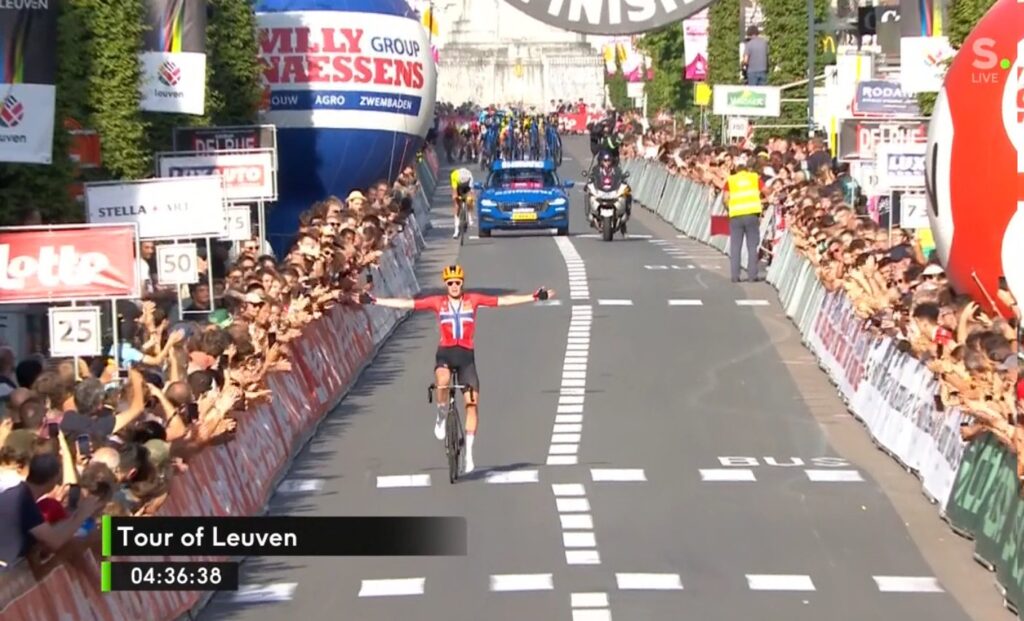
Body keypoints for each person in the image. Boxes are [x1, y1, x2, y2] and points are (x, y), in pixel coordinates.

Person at [361, 265, 553, 474]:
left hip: (466, 357)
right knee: (442, 381)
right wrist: (374, 300)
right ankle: (441, 415)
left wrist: (535, 297)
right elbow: (408, 303)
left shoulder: (473, 300)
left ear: (462, 283)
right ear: (446, 284)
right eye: (450, 283)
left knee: (472, 404)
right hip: (445, 353)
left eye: (457, 282)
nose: (454, 286)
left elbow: (504, 301)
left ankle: (469, 454)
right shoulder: (438, 302)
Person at [722, 161, 765, 282]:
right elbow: (766, 190)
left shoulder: (730, 180)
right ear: (747, 170)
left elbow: (725, 198)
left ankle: (735, 276)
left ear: (736, 171)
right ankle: (752, 275)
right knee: (752, 246)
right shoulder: (754, 178)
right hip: (752, 214)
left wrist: (729, 209)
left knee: (735, 246)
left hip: (736, 215)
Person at [449, 167, 475, 239]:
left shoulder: (468, 176)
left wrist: (470, 199)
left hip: (467, 185)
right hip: (462, 185)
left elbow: (471, 191)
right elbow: (455, 191)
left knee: (469, 200)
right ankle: (457, 230)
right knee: (458, 204)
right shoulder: (455, 176)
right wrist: (456, 197)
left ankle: (469, 218)